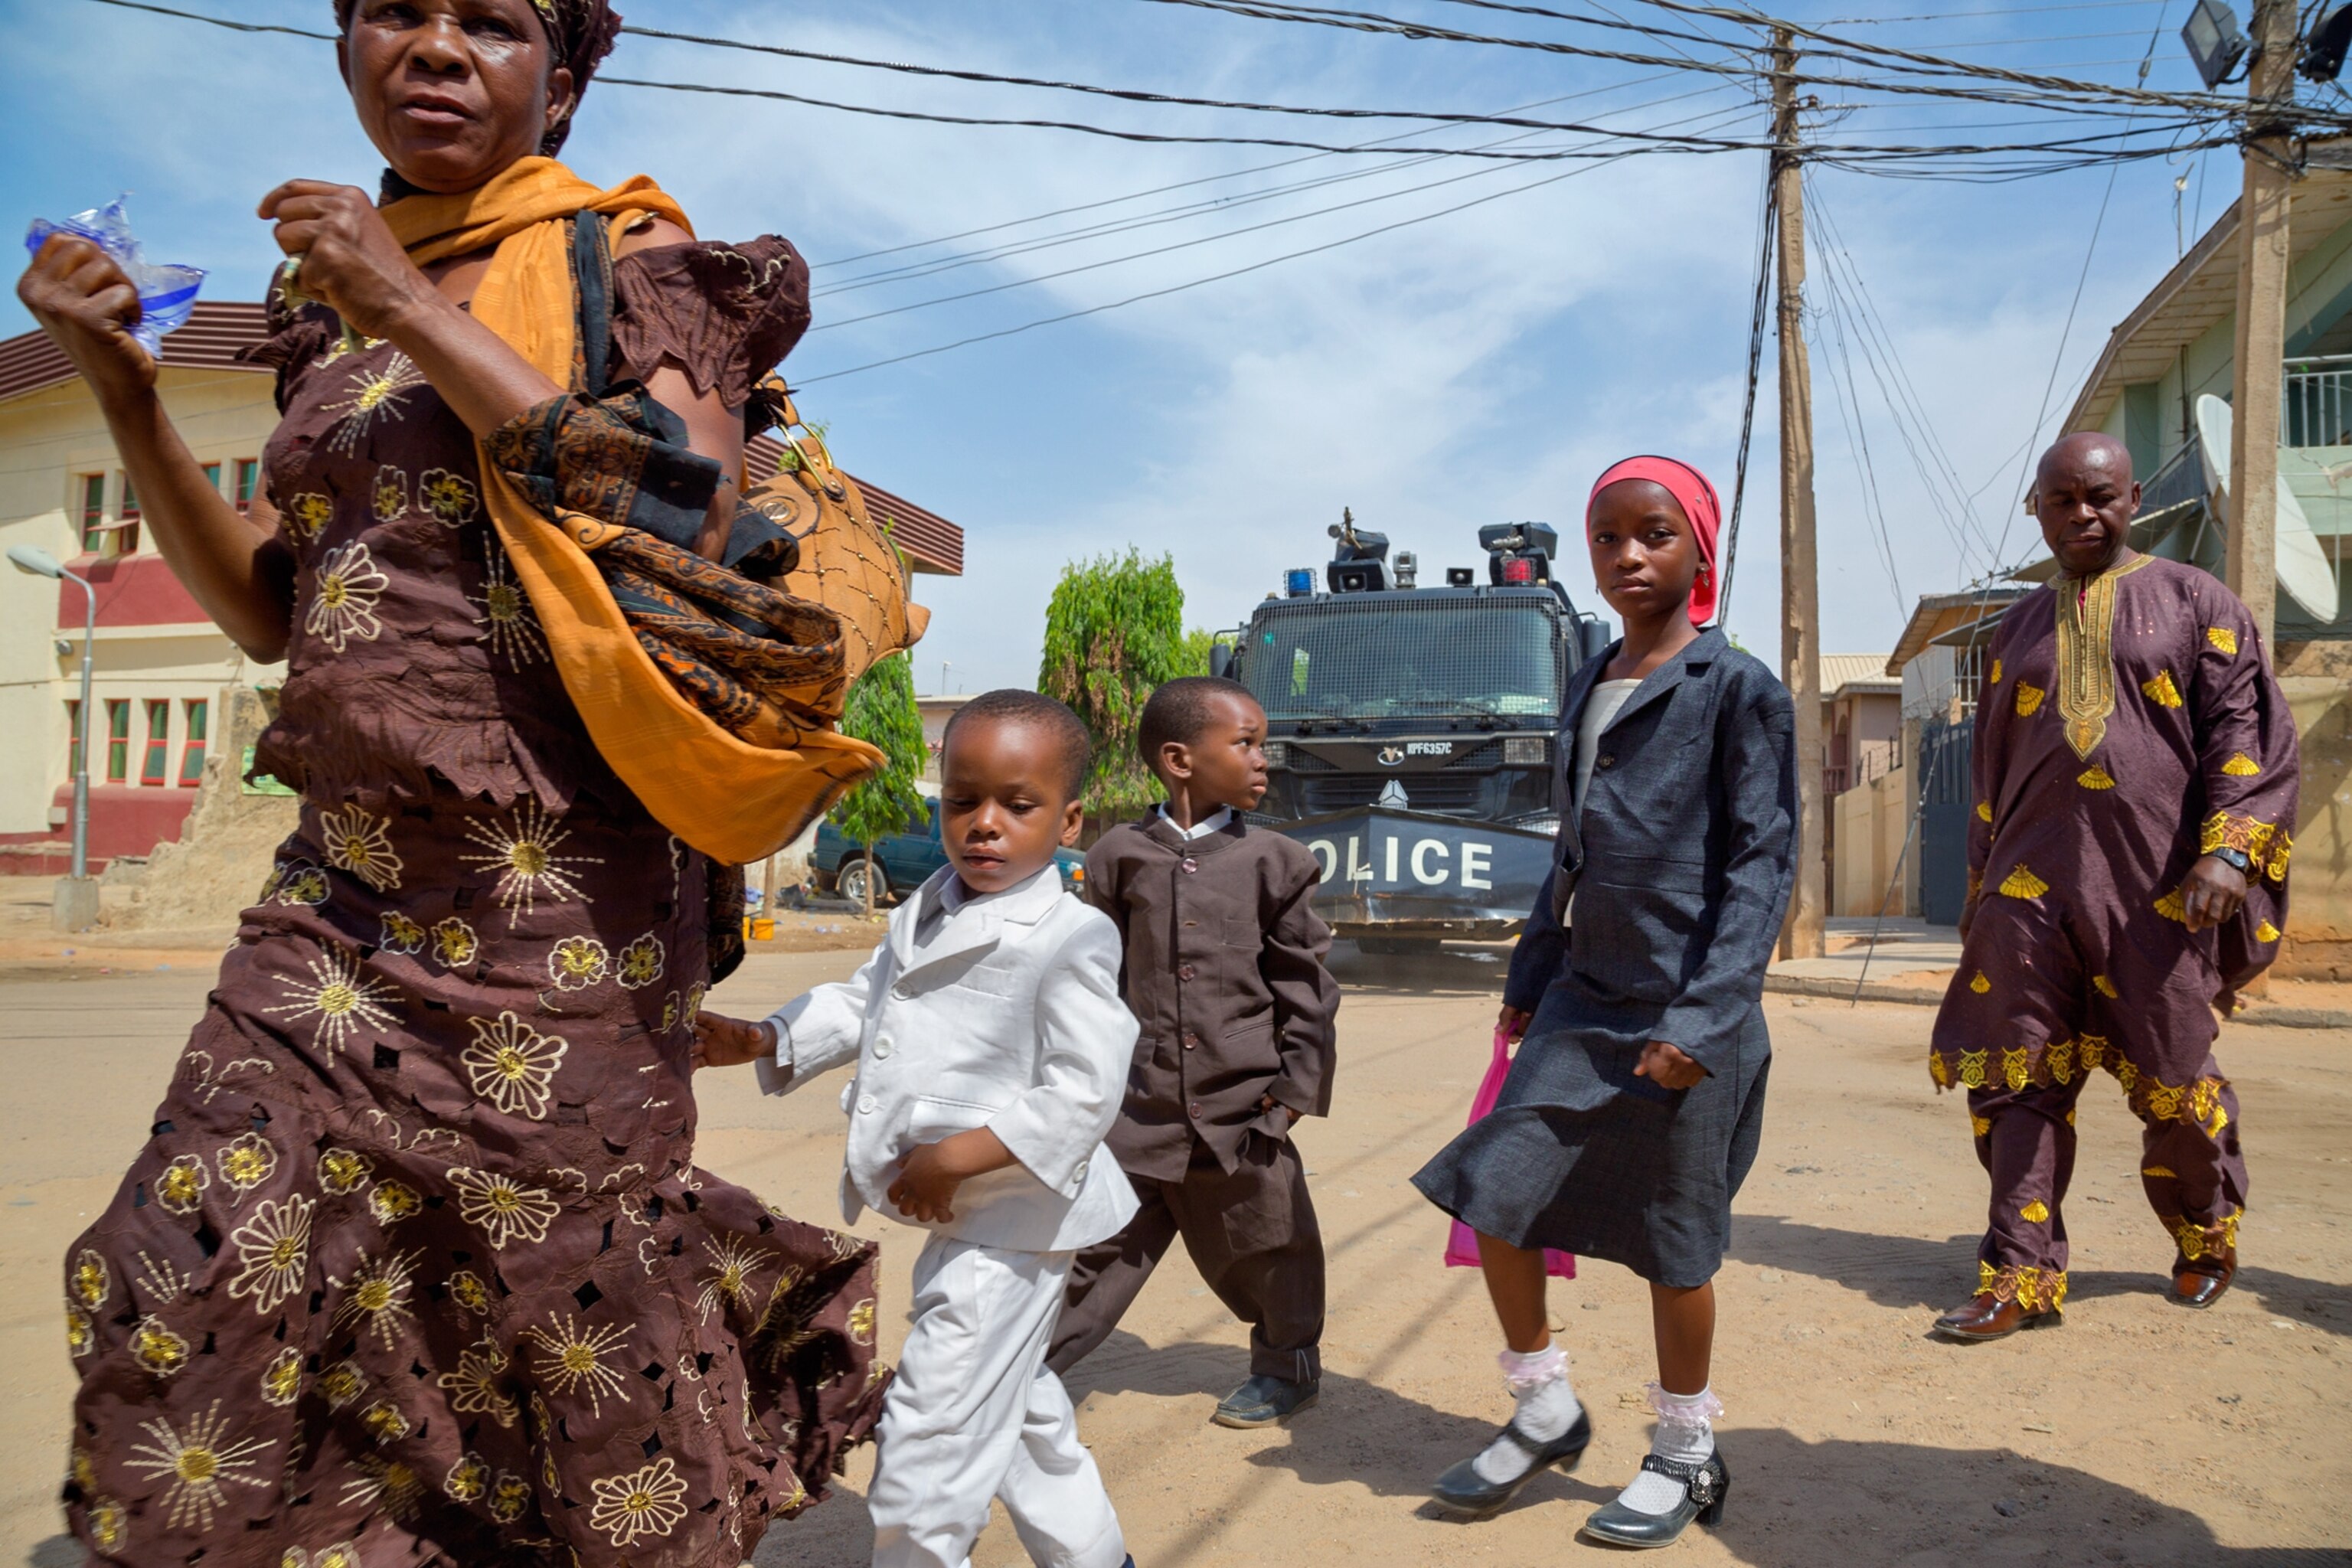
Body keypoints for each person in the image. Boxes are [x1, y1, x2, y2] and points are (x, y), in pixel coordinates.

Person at [24, 3, 887, 1561]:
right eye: (392, 14)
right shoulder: (329, 314)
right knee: (191, 1260)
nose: (434, 47)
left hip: (558, 923)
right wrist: (123, 388)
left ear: (562, 76)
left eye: (487, 21)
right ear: (346, 52)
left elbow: (680, 510)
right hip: (334, 908)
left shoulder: (632, 268)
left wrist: (410, 301)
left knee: (556, 1343)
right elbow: (277, 612)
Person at [1411, 456, 1796, 1547]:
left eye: (1655, 535)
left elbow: (1763, 864)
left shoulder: (1738, 688)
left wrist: (1704, 1020)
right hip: (1584, 1000)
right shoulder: (1589, 678)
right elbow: (1569, 853)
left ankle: (1685, 1450)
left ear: (1699, 550)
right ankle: (1544, 1406)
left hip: (1687, 1009)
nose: (1630, 557)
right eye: (1610, 539)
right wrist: (1530, 977)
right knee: (1493, 1192)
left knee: (1678, 1245)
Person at [694, 691, 1138, 1568]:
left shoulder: (1071, 936)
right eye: (963, 799)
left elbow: (1085, 1087)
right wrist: (767, 1036)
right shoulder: (928, 906)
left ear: (1069, 816)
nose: (984, 825)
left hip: (1010, 1215)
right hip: (969, 1214)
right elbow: (868, 1000)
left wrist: (956, 1158)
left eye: (1018, 805)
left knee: (931, 1438)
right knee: (1017, 1406)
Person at [1928, 433, 2298, 1340]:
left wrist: (2232, 850)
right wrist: (1981, 889)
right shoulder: (2013, 628)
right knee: (2017, 1077)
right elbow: (1991, 770)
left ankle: (2206, 1235)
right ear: (2037, 510)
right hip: (2026, 891)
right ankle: (2020, 1274)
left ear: (2132, 498)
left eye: (2101, 496)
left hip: (2155, 889)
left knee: (2175, 1077)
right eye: (2063, 500)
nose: (2083, 514)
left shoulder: (2196, 601)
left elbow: (2243, 733)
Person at [1045, 675, 1341, 1428]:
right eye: (1244, 743)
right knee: (1092, 1249)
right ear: (1179, 759)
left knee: (1272, 1241)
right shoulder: (1116, 857)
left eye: (1261, 744)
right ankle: (1024, 1368)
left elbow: (1306, 986)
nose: (1262, 759)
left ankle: (1286, 1367)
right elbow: (1092, 979)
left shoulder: (1278, 862)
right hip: (1136, 1108)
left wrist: (1290, 1092)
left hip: (1243, 1109)